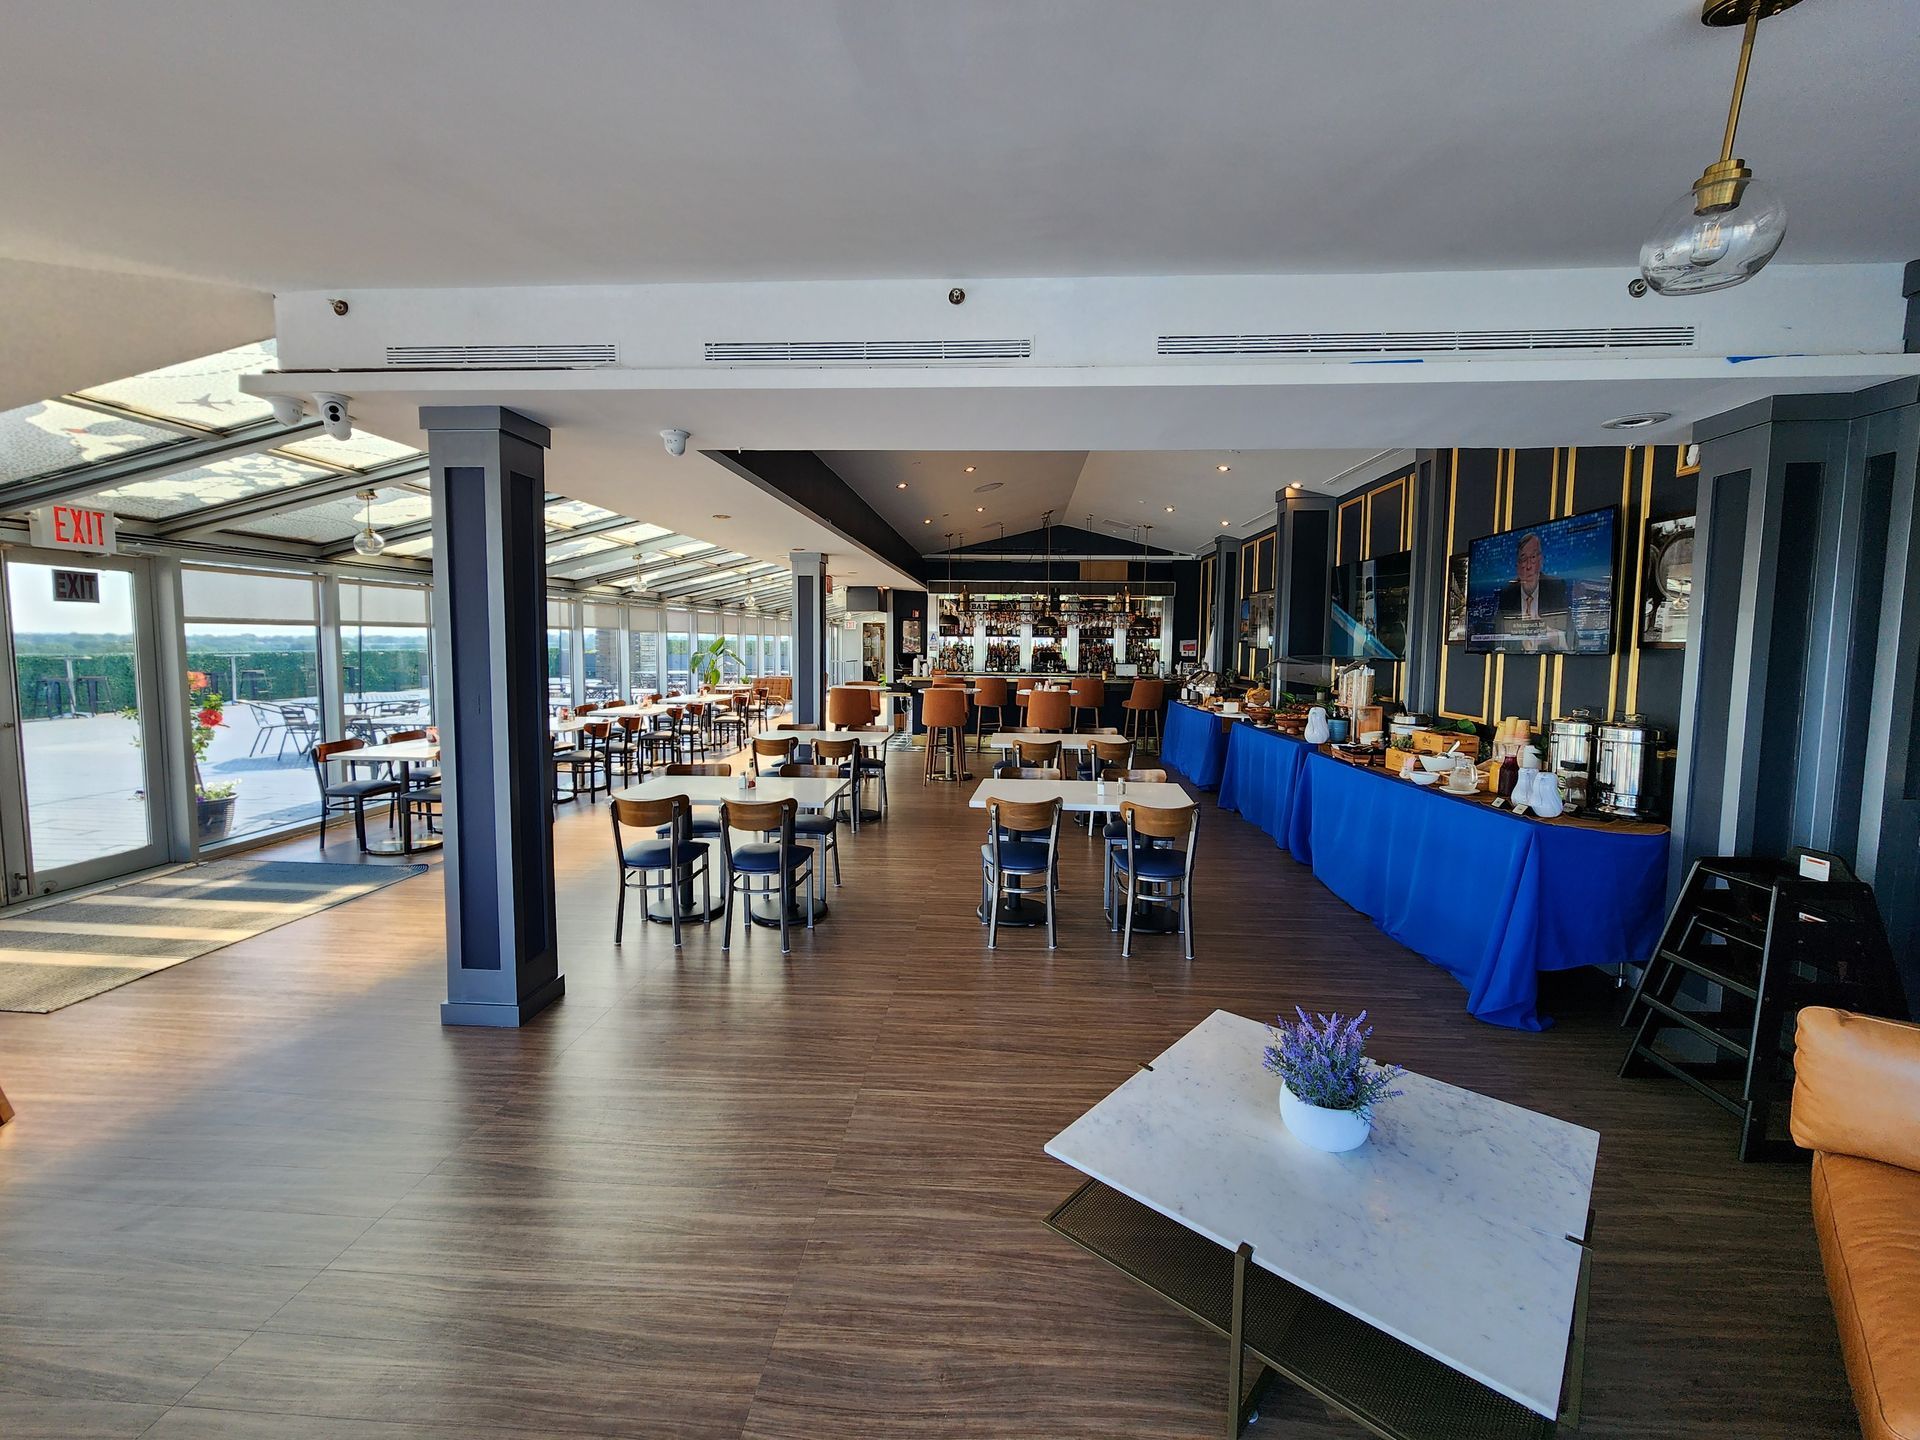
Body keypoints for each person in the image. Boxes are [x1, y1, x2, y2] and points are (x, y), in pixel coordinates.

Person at [1494, 533, 1570, 651]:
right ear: (1517, 565)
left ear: (1541, 560)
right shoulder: (1507, 594)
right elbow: (1498, 644)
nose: (1528, 566)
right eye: (1523, 558)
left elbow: (1574, 641)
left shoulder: (1556, 588)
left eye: (1533, 557)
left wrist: (1554, 638)